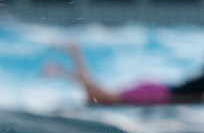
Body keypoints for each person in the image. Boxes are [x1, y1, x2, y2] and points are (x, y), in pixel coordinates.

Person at [44, 43, 204, 106]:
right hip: (157, 91)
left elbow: (85, 81)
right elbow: (84, 81)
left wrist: (60, 71)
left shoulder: (101, 97)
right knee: (193, 87)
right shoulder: (101, 96)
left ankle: (74, 51)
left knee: (193, 87)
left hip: (156, 92)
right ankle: (73, 51)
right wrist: (58, 71)